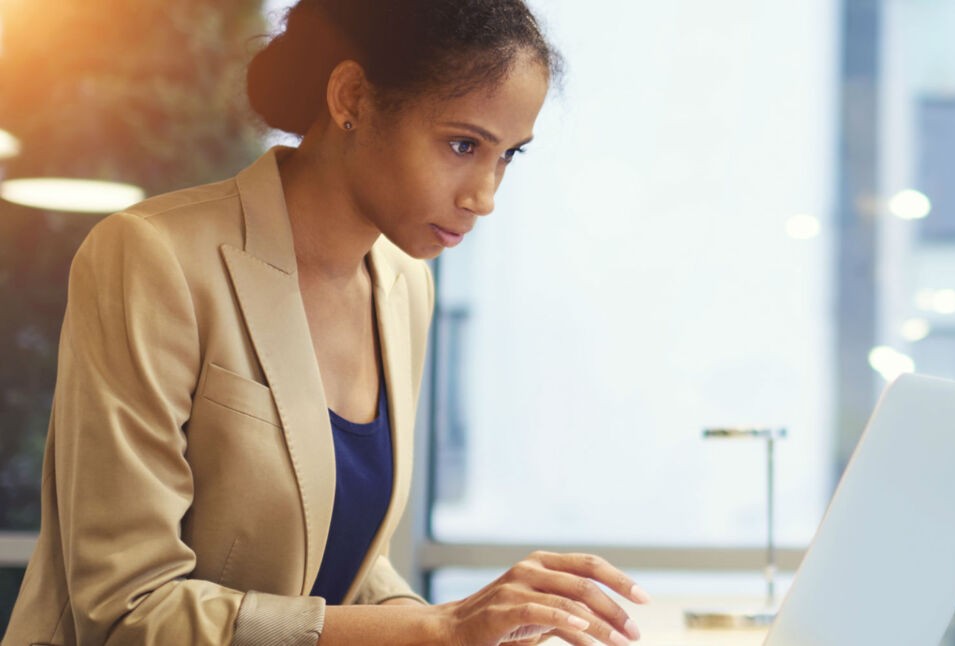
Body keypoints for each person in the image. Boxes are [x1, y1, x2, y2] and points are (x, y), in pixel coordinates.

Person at [1, 1, 649, 644]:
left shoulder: (404, 285)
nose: (484, 196)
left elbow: (342, 572)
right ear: (353, 98)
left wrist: (485, 629)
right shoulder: (152, 256)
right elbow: (126, 612)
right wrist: (438, 628)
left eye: (509, 155)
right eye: (462, 144)